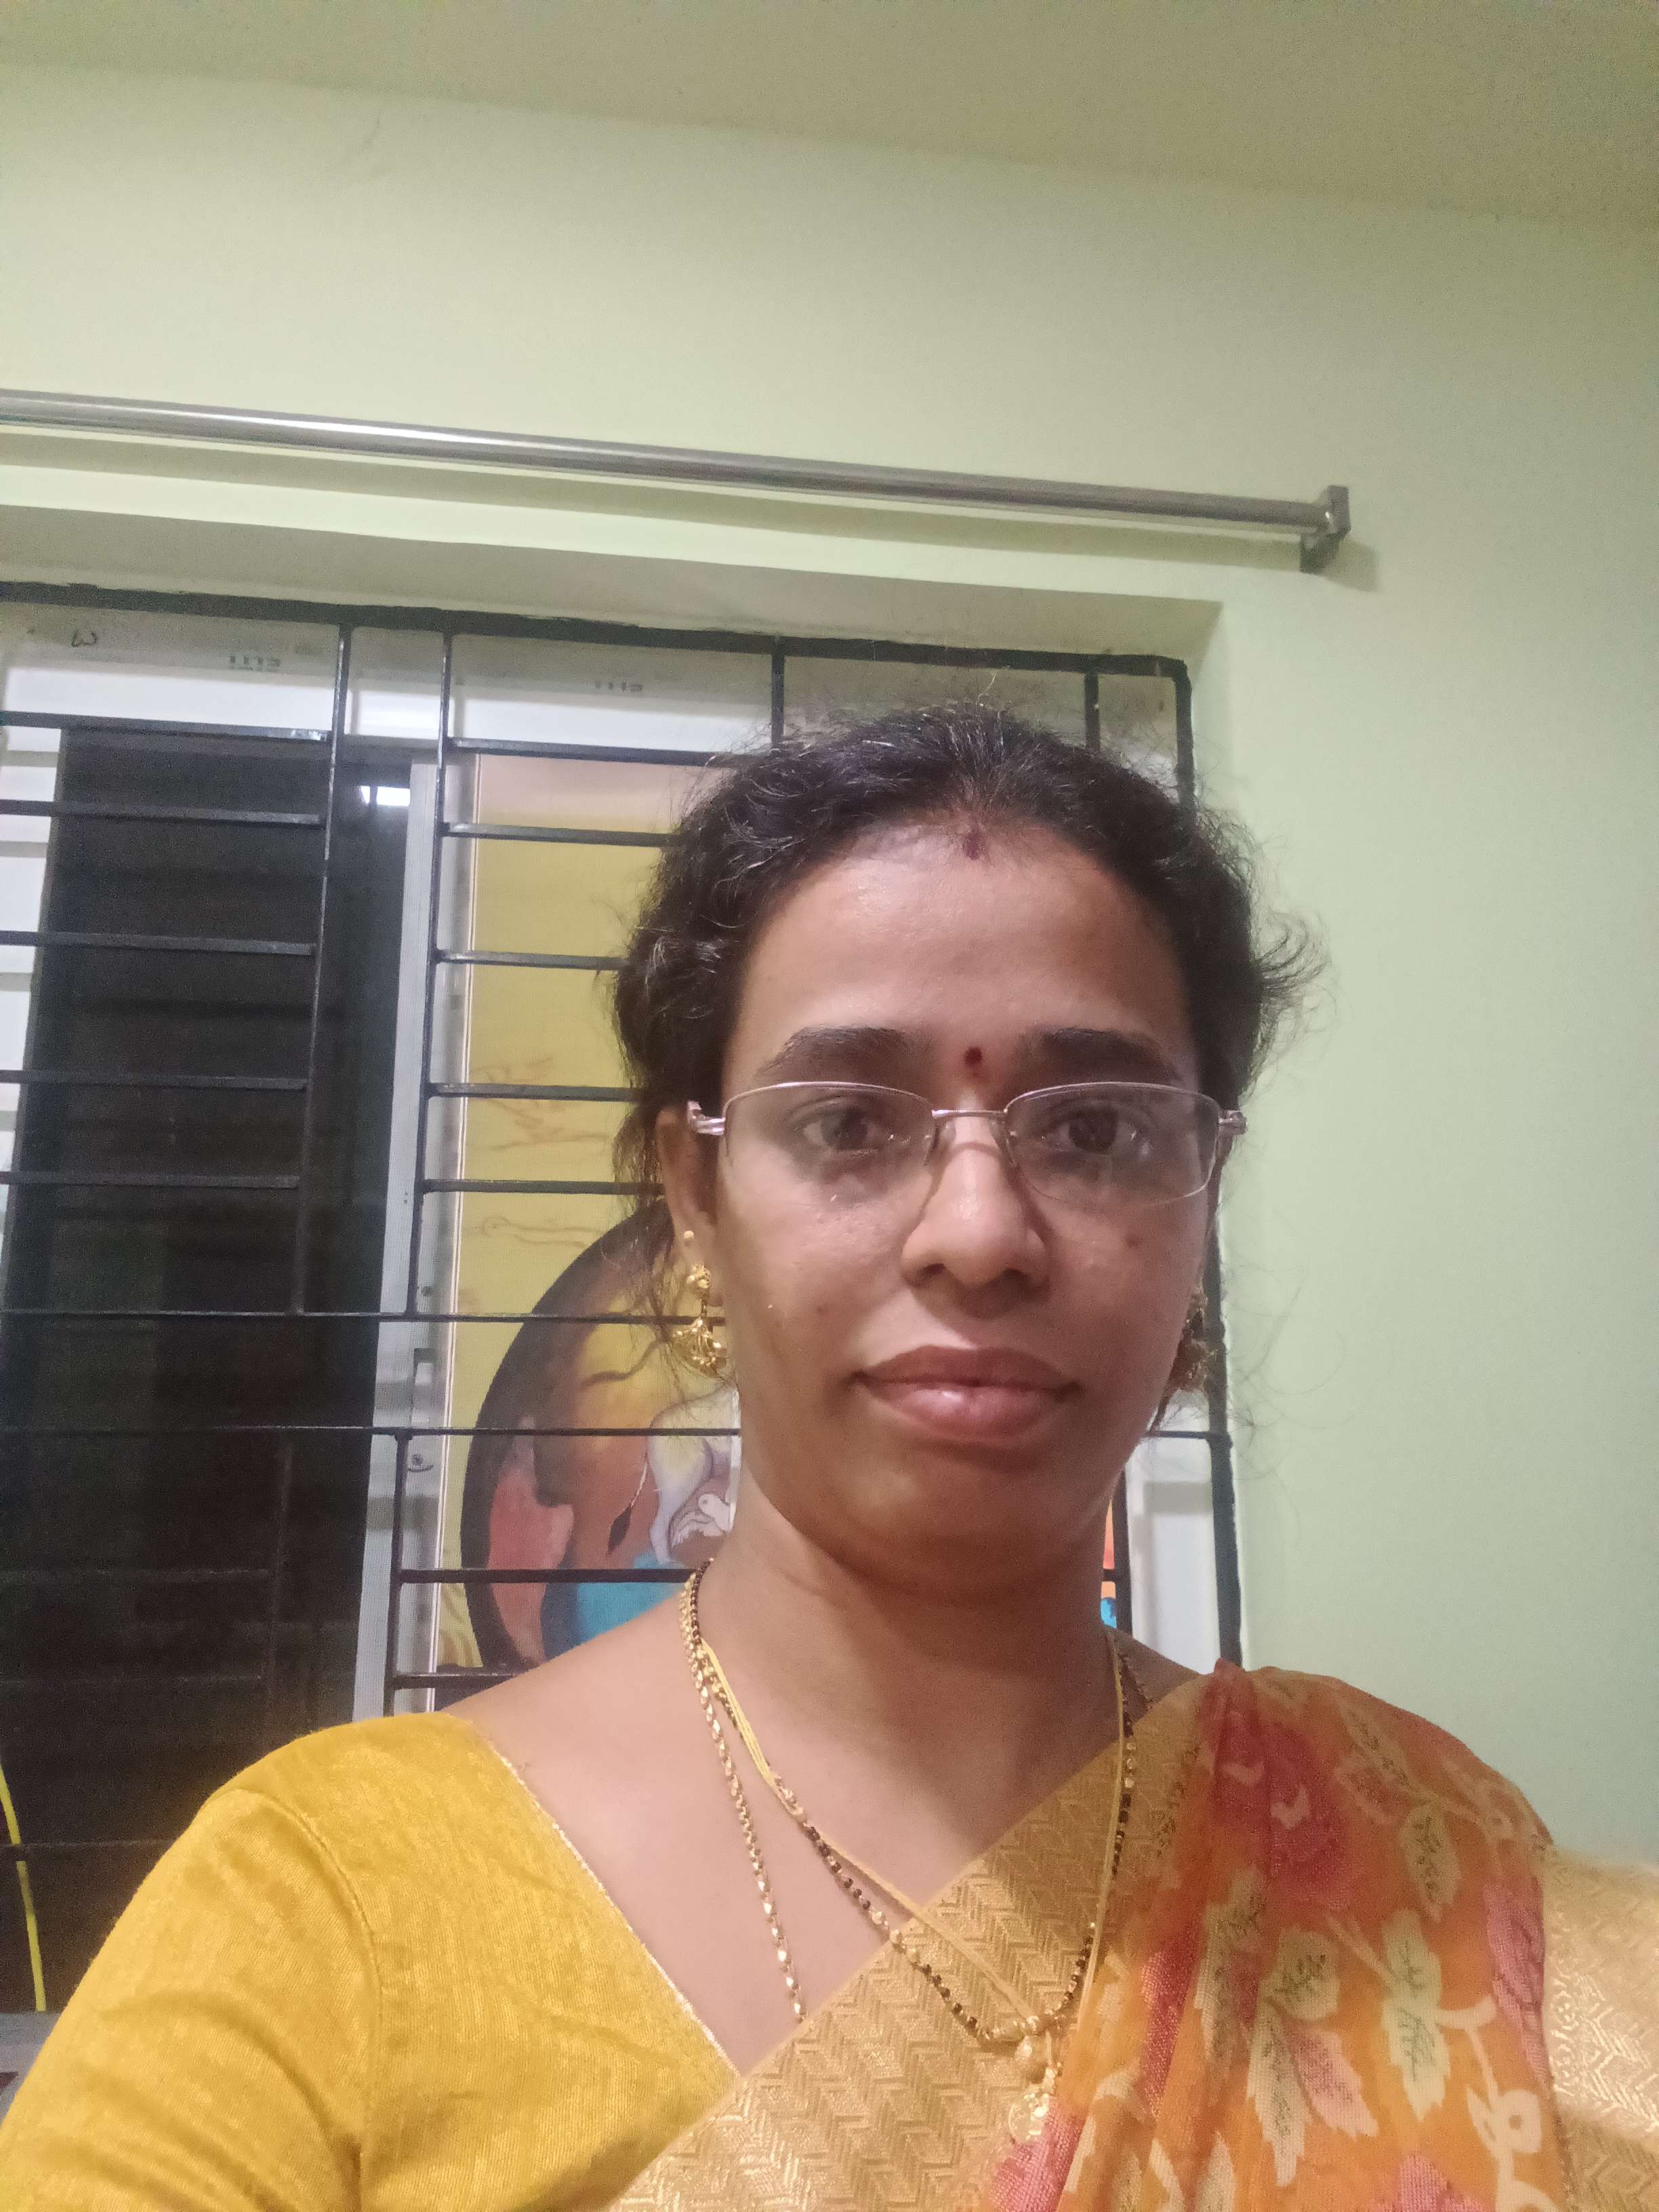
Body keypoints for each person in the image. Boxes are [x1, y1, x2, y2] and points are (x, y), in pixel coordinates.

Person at [1, 707, 1652, 2210]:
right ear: (695, 1198)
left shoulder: (1415, 1870)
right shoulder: (329, 1912)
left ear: (1200, 1191)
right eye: (850, 1122)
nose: (980, 1233)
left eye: (1093, 1129)